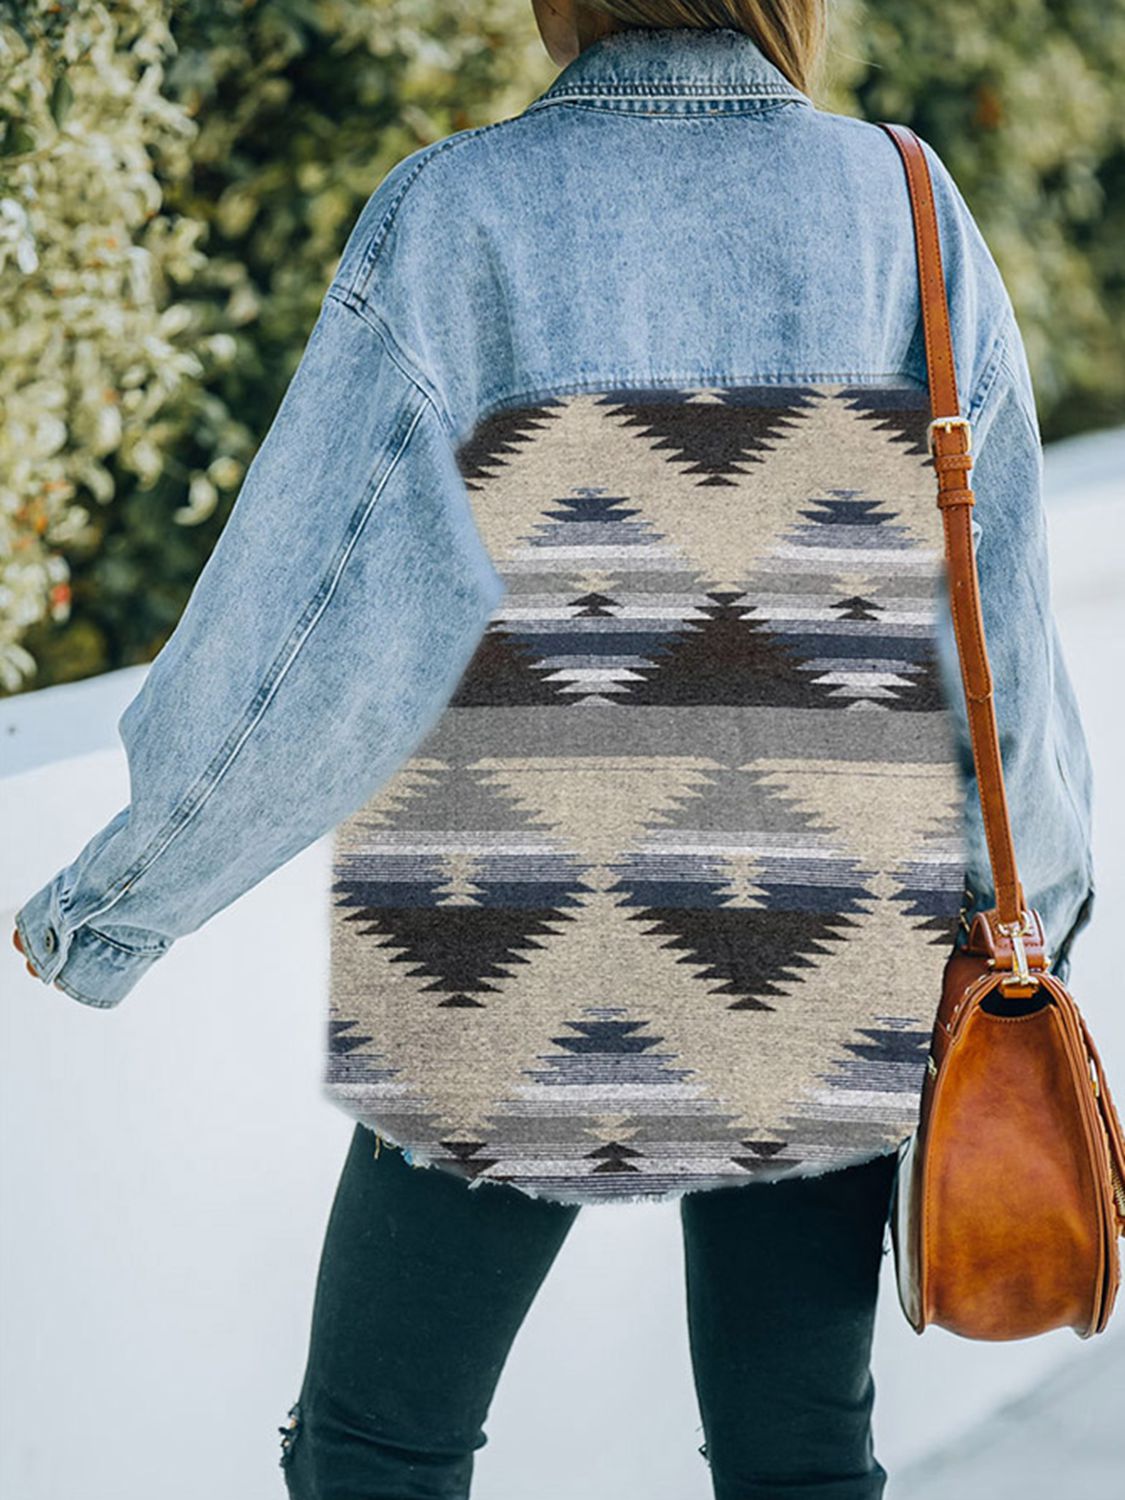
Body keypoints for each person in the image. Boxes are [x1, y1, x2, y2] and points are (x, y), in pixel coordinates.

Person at [13, 4, 1095, 1497]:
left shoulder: (458, 211)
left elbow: (314, 624)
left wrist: (116, 902)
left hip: (516, 934)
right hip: (822, 934)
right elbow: (999, 623)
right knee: (800, 1456)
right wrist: (1035, 902)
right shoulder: (902, 201)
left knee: (375, 1449)